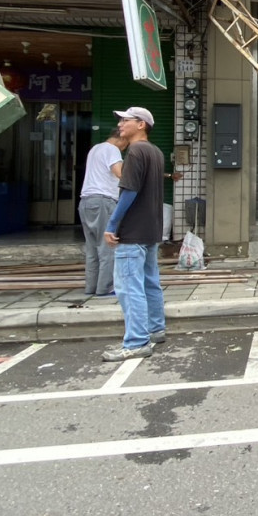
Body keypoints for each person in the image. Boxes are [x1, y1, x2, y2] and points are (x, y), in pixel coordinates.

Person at [101, 107, 167, 362]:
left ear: (141, 124)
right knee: (150, 281)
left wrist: (112, 224)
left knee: (129, 287)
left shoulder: (137, 151)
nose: (120, 124)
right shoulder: (155, 151)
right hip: (150, 229)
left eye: (125, 120)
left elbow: (129, 190)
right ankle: (155, 328)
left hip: (133, 231)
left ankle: (137, 341)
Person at [78, 132, 127, 298]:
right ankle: (106, 288)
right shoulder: (112, 149)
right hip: (103, 201)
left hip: (85, 202)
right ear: (121, 138)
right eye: (125, 144)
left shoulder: (95, 149)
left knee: (92, 248)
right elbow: (119, 173)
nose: (124, 148)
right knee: (108, 246)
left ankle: (91, 287)